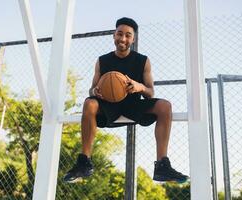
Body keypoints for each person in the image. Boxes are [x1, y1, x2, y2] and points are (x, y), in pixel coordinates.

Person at [64, 17, 188, 183]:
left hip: (133, 105)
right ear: (113, 36)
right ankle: (84, 162)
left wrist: (140, 87)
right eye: (119, 34)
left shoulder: (143, 61)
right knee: (89, 102)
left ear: (133, 39)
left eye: (128, 35)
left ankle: (162, 166)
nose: (123, 38)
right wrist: (95, 91)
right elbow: (91, 89)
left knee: (165, 106)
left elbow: (150, 92)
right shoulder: (102, 61)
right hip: (109, 105)